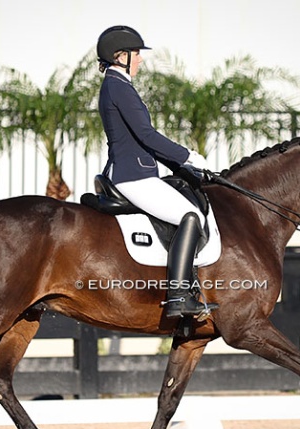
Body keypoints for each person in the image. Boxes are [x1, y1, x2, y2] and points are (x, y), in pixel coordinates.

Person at [96, 25, 219, 319]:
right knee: (191, 217)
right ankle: (178, 297)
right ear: (120, 56)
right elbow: (146, 136)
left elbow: (142, 142)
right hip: (132, 177)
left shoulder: (118, 85)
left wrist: (183, 168)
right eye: (136, 53)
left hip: (134, 172)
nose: (140, 59)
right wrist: (189, 156)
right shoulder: (118, 86)